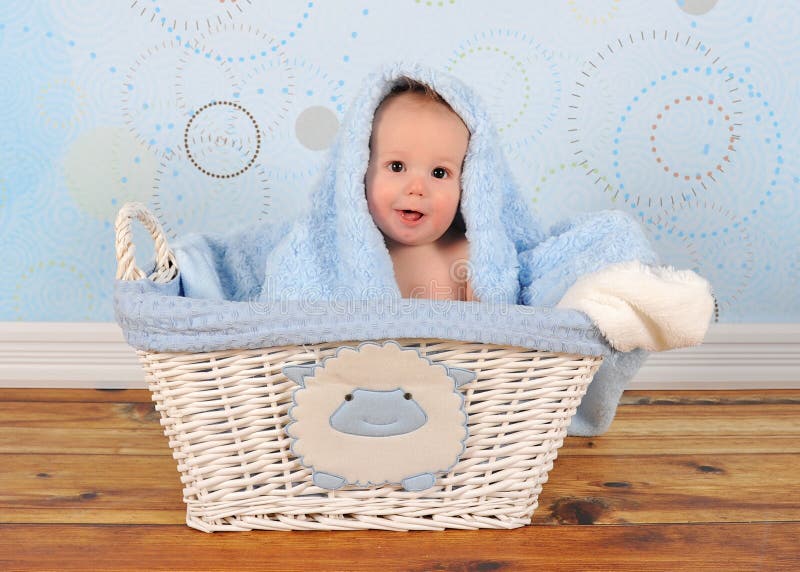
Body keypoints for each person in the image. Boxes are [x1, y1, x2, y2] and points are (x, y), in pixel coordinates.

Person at [365, 78, 475, 301]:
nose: (417, 189)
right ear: (360, 170)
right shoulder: (346, 259)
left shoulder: (469, 259)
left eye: (439, 173)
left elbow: (494, 329)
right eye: (397, 167)